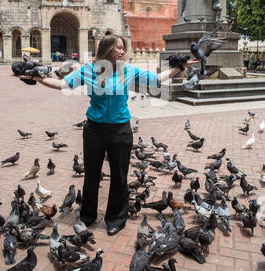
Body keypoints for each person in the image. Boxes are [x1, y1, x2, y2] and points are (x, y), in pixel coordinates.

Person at [19, 34, 199, 236]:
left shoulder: (127, 70)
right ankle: (87, 215)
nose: (122, 52)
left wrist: (179, 67)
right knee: (91, 176)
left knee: (119, 177)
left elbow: (156, 80)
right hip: (94, 130)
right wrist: (37, 78)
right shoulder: (88, 70)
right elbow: (63, 85)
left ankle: (116, 218)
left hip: (120, 131)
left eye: (123, 48)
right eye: (119, 48)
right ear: (107, 49)